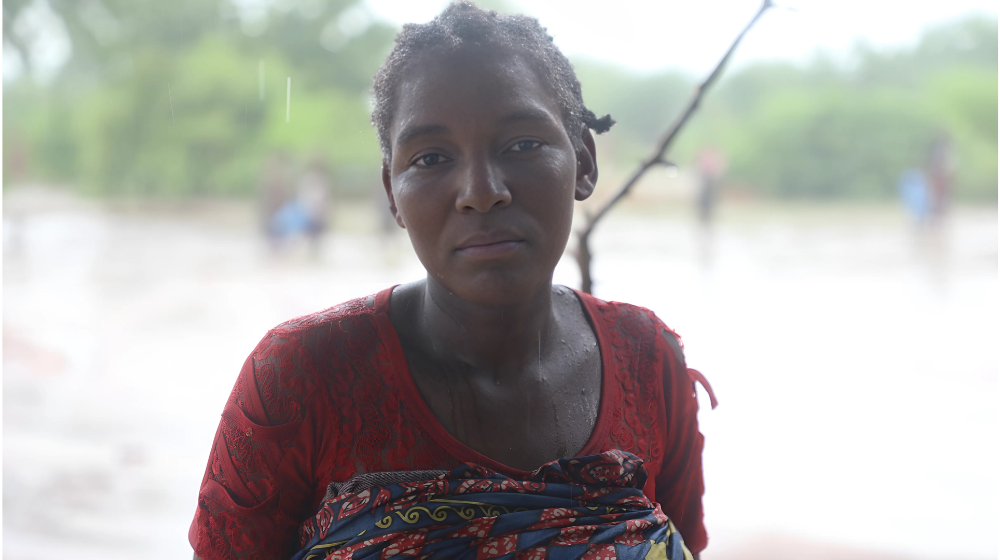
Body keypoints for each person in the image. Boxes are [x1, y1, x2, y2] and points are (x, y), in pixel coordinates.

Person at [190, 3, 715, 559]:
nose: (481, 190)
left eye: (522, 144)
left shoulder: (648, 360)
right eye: (432, 157)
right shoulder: (303, 376)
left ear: (583, 161)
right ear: (393, 194)